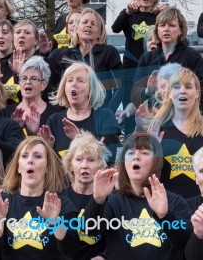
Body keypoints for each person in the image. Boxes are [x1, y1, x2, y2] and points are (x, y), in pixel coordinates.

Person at [82, 132, 192, 259]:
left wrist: (165, 216)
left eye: (144, 153)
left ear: (156, 161)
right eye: (130, 153)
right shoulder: (113, 201)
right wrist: (98, 199)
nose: (136, 157)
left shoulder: (176, 202)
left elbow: (185, 245)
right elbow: (89, 232)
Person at [0, 136, 78, 259]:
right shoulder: (3, 202)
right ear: (18, 167)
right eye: (24, 156)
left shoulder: (61, 203)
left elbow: (71, 249)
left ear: (47, 168)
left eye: (37, 156)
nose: (30, 160)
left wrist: (54, 222)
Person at [40, 62, 121, 162]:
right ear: (64, 88)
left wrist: (80, 139)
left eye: (80, 81)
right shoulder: (54, 120)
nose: (74, 84)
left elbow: (111, 156)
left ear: (91, 88)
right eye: (70, 80)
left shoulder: (105, 116)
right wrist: (47, 148)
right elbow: (46, 164)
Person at [111, 0, 166, 133]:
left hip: (154, 69)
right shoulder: (130, 14)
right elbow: (115, 28)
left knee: (156, 107)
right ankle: (130, 142)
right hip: (131, 68)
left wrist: (166, 15)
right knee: (130, 107)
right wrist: (126, 12)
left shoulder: (160, 16)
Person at [51, 7, 123, 112]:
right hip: (70, 114)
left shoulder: (109, 52)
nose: (88, 25)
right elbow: (51, 82)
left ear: (99, 33)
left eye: (93, 24)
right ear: (76, 29)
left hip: (99, 114)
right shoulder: (63, 54)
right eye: (84, 22)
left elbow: (120, 87)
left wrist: (108, 112)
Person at [132, 7, 203, 110]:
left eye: (171, 25)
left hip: (184, 117)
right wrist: (148, 91)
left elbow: (200, 90)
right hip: (153, 117)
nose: (166, 29)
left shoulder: (192, 56)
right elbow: (135, 92)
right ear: (157, 30)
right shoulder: (147, 57)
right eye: (162, 25)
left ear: (180, 30)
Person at [150, 67, 203, 199]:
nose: (182, 91)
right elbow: (145, 175)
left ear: (197, 94)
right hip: (167, 210)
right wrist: (152, 148)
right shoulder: (157, 128)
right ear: (169, 93)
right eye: (177, 87)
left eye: (188, 86)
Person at [59, 131, 110, 259]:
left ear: (100, 165)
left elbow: (117, 240)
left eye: (91, 160)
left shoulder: (109, 199)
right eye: (79, 159)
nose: (84, 166)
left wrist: (104, 256)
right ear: (70, 165)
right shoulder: (59, 199)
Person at [0, 56, 63, 135]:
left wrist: (35, 132)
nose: (28, 82)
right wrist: (14, 128)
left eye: (33, 78)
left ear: (43, 84)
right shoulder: (5, 113)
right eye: (24, 78)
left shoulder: (56, 114)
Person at [184, 146, 203, 260]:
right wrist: (198, 234)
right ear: (196, 178)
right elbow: (188, 256)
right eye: (202, 171)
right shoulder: (185, 208)